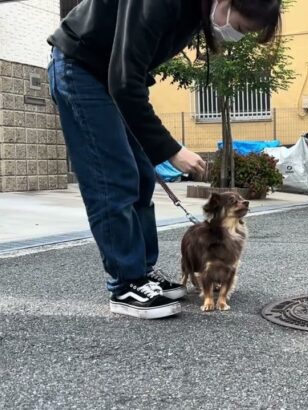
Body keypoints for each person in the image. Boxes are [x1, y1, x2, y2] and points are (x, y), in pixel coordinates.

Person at [46, 0, 282, 319]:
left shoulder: (194, 14)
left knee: (143, 176)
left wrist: (158, 148)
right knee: (113, 177)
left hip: (113, 78)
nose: (235, 37)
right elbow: (125, 79)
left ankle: (142, 271)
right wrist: (171, 149)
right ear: (226, 2)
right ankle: (125, 283)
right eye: (240, 28)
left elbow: (132, 75)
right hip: (82, 67)